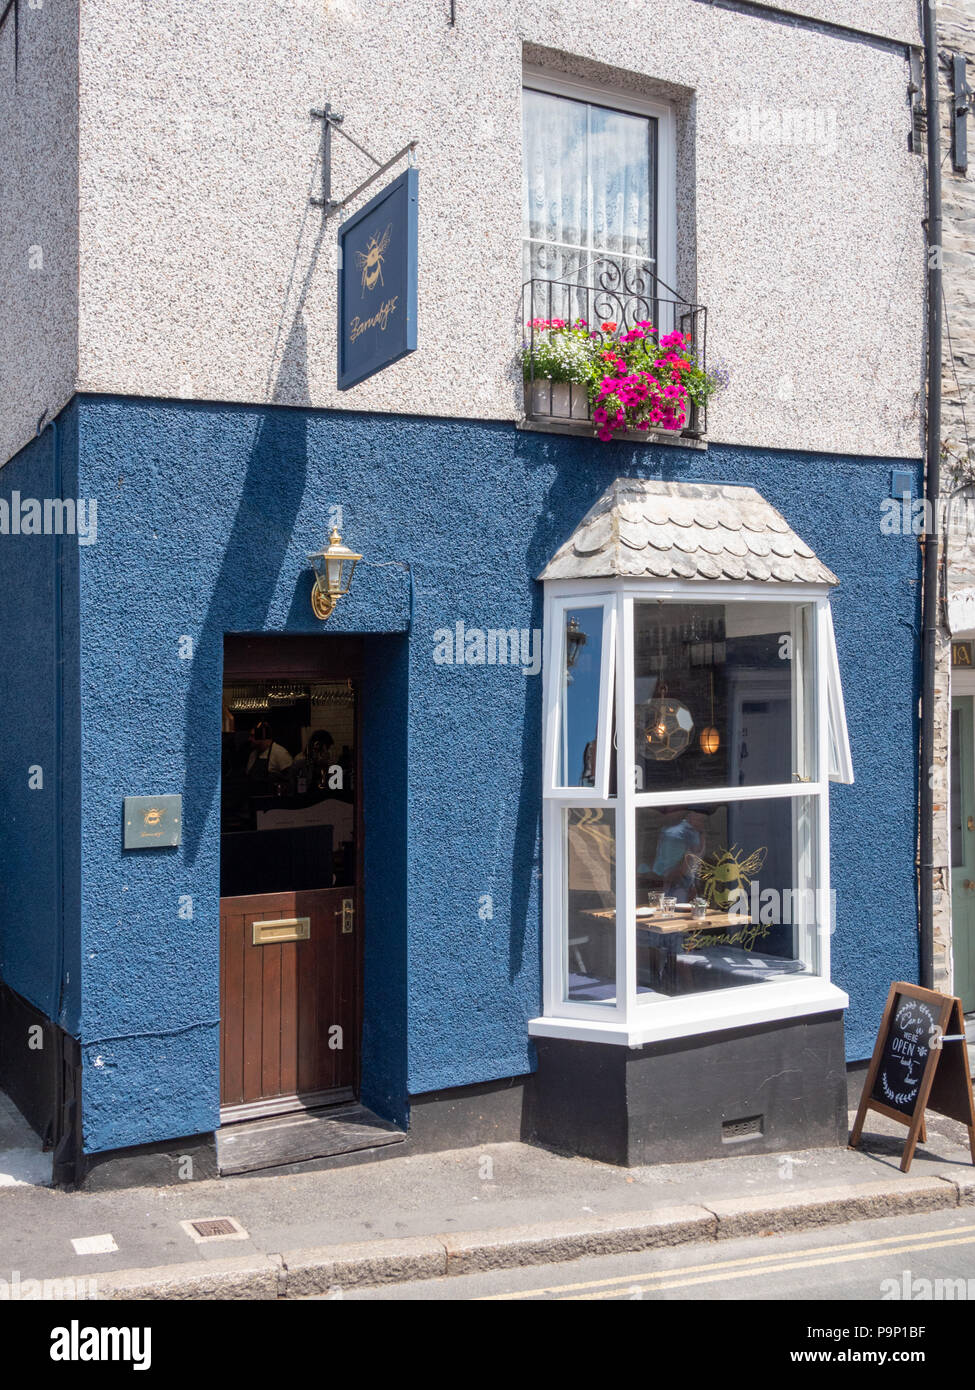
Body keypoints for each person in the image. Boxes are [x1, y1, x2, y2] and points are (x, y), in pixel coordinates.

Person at [245, 722, 293, 789]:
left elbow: (291, 780)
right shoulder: (253, 754)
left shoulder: (280, 753)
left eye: (252, 736)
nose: (249, 739)